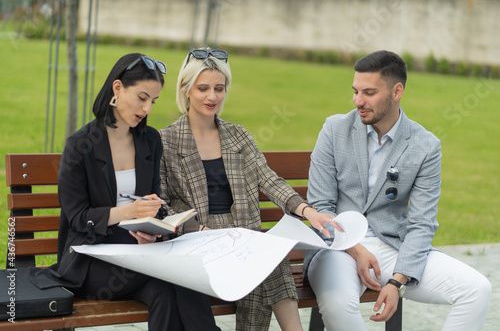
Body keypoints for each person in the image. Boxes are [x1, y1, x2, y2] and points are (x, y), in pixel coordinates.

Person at [30, 53, 220, 331]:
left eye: (153, 101)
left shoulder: (150, 140)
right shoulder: (80, 145)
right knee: (176, 276)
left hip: (140, 253)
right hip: (92, 258)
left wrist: (154, 227)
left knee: (165, 293)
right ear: (117, 88)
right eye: (142, 98)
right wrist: (126, 212)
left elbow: (152, 200)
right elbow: (78, 217)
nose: (147, 109)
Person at [303, 50, 492, 330]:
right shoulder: (334, 129)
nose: (358, 101)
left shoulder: (425, 145)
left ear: (397, 91)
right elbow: (321, 206)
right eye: (355, 91)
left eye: (369, 93)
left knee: (477, 289)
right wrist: (355, 250)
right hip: (338, 248)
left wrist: (396, 281)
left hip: (392, 248)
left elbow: (422, 222)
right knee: (339, 305)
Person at [158, 48, 341, 331]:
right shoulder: (166, 141)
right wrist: (200, 231)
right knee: (263, 259)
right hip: (200, 240)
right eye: (203, 88)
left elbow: (268, 179)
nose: (212, 97)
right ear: (185, 89)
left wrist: (308, 211)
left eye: (219, 88)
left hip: (243, 233)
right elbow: (163, 205)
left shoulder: (238, 135)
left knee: (268, 257)